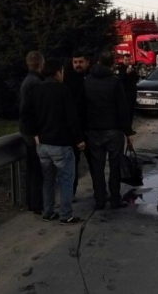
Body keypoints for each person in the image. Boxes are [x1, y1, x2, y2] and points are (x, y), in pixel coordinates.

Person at [21, 59, 84, 225]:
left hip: (42, 145)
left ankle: (48, 212)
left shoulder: (36, 90)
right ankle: (66, 215)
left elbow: (26, 115)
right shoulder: (63, 90)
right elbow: (72, 118)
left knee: (48, 180)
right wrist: (79, 139)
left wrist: (34, 134)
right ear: (58, 73)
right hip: (61, 144)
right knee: (65, 180)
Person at [80, 50, 134, 210]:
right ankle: (115, 198)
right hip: (113, 130)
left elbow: (82, 107)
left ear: (97, 63)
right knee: (114, 164)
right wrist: (128, 131)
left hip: (94, 130)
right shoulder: (114, 81)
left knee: (97, 166)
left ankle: (100, 199)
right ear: (112, 64)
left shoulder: (87, 81)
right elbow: (122, 108)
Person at [64, 51, 93, 200]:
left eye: (80, 62)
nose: (78, 65)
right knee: (72, 164)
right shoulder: (68, 79)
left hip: (90, 129)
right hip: (73, 130)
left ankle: (99, 191)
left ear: (87, 62)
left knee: (94, 163)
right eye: (75, 62)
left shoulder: (92, 78)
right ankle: (71, 193)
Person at [19, 51, 44, 215]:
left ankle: (31, 201)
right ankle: (36, 203)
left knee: (32, 168)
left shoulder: (27, 81)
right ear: (41, 64)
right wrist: (36, 133)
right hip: (32, 133)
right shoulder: (35, 83)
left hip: (26, 131)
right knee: (36, 168)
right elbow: (30, 110)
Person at [115, 54, 139, 131]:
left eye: (129, 60)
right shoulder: (120, 68)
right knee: (126, 111)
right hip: (125, 93)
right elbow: (119, 79)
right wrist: (126, 73)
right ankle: (125, 128)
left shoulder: (132, 68)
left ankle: (130, 128)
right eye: (126, 60)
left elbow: (136, 78)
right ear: (123, 60)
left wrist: (133, 73)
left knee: (131, 111)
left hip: (132, 92)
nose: (128, 62)